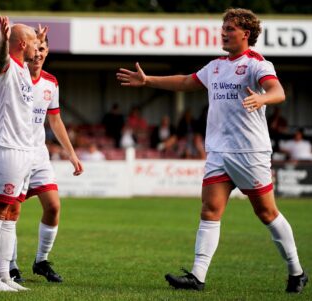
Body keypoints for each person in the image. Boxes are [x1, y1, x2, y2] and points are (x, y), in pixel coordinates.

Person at [116, 8, 307, 294]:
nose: (224, 32)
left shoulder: (257, 64)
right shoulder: (216, 66)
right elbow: (184, 81)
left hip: (249, 152)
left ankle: (296, 271)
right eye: (223, 27)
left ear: (246, 34)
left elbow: (278, 92)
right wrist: (147, 81)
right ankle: (197, 276)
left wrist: (263, 98)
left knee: (267, 213)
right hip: (219, 152)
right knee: (209, 210)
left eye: (230, 28)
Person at [7, 30, 84, 283]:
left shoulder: (51, 82)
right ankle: (11, 265)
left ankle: (41, 260)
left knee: (53, 206)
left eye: (43, 49)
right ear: (26, 49)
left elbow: (55, 119)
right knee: (11, 211)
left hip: (39, 155)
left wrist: (71, 154)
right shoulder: (14, 74)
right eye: (34, 48)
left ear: (47, 52)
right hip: (15, 151)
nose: (38, 53)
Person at [0, 16, 42, 292]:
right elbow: (1, 58)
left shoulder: (25, 70)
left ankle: (4, 276)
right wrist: (4, 41)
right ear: (22, 43)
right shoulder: (2, 68)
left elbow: (30, 55)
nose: (38, 50)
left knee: (11, 213)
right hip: (6, 149)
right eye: (35, 45)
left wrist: (38, 38)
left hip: (24, 151)